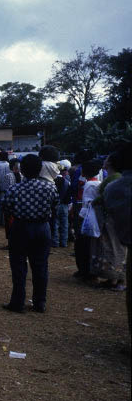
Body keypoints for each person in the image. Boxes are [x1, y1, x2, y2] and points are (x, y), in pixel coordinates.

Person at [1, 154, 58, 313]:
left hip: (20, 227)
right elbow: (55, 205)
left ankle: (17, 302)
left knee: (18, 266)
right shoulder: (50, 187)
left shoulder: (16, 188)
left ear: (22, 170)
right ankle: (40, 302)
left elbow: (6, 207)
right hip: (42, 228)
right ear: (40, 170)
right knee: (41, 266)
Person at [102, 143, 131, 334]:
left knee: (115, 249)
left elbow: (104, 201)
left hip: (123, 234)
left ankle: (117, 279)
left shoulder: (114, 186)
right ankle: (116, 278)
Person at [89, 152, 126, 290]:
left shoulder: (114, 178)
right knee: (111, 247)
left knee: (114, 248)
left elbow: (106, 196)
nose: (104, 161)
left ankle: (119, 279)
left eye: (107, 159)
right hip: (111, 218)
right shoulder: (113, 177)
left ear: (111, 163)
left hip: (112, 219)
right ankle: (113, 279)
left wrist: (94, 201)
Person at [74, 159, 103, 282]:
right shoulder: (98, 183)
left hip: (85, 217)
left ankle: (84, 271)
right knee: (91, 246)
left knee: (82, 246)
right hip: (95, 217)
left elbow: (86, 204)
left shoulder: (89, 185)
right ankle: (89, 271)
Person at [52, 167, 71, 248]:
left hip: (55, 205)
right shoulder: (67, 182)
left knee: (55, 224)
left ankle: (55, 242)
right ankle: (64, 242)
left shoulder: (52, 182)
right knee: (65, 224)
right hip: (65, 205)